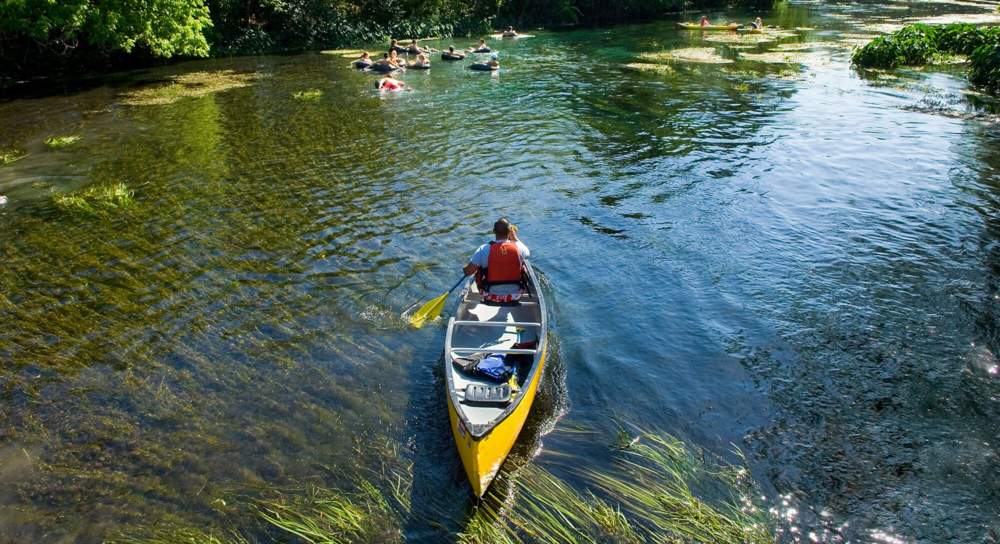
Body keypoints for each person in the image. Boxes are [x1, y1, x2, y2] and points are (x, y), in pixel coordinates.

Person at [463, 218, 530, 303]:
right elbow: (527, 254)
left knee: (479, 268)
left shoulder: (483, 249)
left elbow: (468, 272)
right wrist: (514, 238)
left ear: (494, 231)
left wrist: (465, 267)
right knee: (522, 264)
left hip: (490, 295)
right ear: (509, 231)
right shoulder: (519, 247)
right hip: (515, 294)